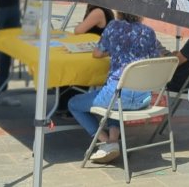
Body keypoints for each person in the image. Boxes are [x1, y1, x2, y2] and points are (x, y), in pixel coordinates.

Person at [69, 12, 163, 164]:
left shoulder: (113, 27)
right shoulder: (149, 32)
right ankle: (113, 139)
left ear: (119, 12)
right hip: (143, 98)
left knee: (74, 104)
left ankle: (107, 142)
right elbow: (156, 58)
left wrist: (114, 50)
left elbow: (97, 53)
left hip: (117, 96)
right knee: (115, 102)